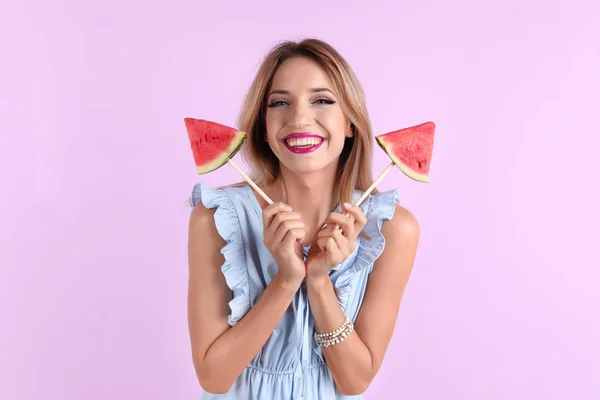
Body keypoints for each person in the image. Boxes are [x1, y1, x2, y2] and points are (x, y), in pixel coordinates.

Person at [187, 38, 420, 399]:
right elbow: (213, 378)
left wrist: (318, 279)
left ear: (350, 123)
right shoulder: (216, 219)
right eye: (280, 103)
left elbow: (355, 381)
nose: (298, 118)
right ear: (264, 127)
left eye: (322, 100)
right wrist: (286, 280)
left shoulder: (392, 229)